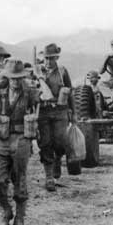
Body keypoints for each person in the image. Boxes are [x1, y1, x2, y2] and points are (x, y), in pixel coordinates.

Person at [0, 58, 38, 225]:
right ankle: (6, 211)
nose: (16, 81)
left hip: (21, 139)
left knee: (20, 180)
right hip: (2, 139)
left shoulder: (30, 91)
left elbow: (43, 104)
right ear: (7, 77)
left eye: (19, 78)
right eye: (13, 78)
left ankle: (19, 219)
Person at [37, 43, 73, 191]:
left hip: (60, 111)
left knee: (60, 141)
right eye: (46, 58)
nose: (48, 61)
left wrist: (73, 113)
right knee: (45, 142)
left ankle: (58, 158)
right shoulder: (38, 72)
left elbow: (70, 92)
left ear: (56, 58)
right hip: (44, 111)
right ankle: (49, 177)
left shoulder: (63, 72)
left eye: (51, 58)